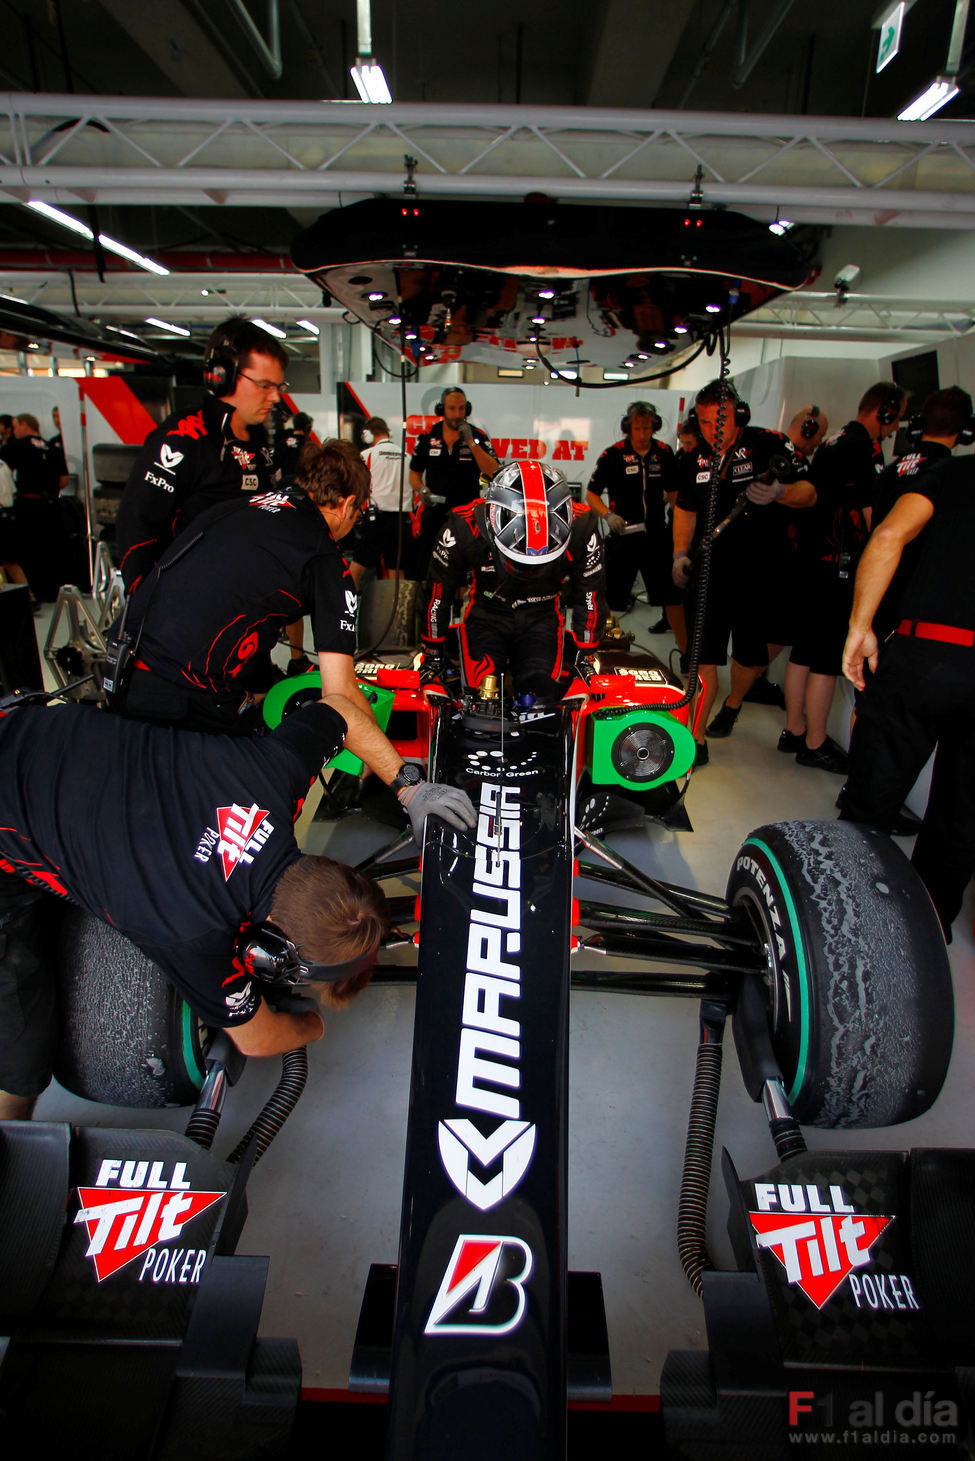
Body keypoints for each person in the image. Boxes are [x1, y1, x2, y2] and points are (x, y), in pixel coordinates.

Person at [0, 692, 474, 1120]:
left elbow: (343, 713)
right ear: (267, 954)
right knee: (20, 1051)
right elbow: (259, 1037)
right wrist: (311, 1026)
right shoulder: (193, 932)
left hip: (32, 727)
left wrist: (410, 787)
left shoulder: (271, 776)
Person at [839, 443, 975, 942]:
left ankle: (845, 914)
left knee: (872, 794)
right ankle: (926, 933)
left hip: (928, 652)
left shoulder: (956, 472)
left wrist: (861, 626)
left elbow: (890, 533)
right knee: (961, 816)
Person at [671, 380, 814, 764]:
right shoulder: (693, 458)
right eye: (702, 422)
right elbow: (685, 509)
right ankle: (695, 740)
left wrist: (781, 493)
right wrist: (680, 553)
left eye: (719, 421)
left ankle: (734, 703)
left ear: (740, 414)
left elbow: (810, 492)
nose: (710, 431)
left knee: (751, 657)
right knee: (703, 660)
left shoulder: (768, 443)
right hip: (709, 572)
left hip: (760, 572)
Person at [780, 381, 906, 774]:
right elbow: (873, 518)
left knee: (801, 653)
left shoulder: (834, 441)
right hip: (836, 566)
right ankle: (815, 743)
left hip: (811, 563)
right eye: (896, 417)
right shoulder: (863, 448)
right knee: (825, 661)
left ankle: (794, 730)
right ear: (884, 413)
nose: (896, 426)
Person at [115, 316, 284, 596]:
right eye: (265, 385)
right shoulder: (182, 438)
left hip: (242, 605)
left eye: (279, 386)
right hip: (186, 611)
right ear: (221, 377)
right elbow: (136, 525)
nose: (276, 397)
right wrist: (150, 605)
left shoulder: (259, 441)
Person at [420, 460, 605, 697]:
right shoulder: (463, 527)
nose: (529, 567)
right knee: (478, 695)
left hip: (542, 615)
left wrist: (586, 653)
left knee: (542, 695)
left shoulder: (583, 527)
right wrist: (433, 651)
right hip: (486, 613)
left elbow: (590, 595)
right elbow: (437, 593)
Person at [586, 401, 685, 648]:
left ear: (654, 427)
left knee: (672, 597)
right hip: (623, 537)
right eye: (637, 429)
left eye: (647, 428)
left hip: (657, 537)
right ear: (628, 428)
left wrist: (682, 527)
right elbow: (592, 494)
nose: (642, 434)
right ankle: (603, 647)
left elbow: (675, 494)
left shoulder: (664, 453)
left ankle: (686, 653)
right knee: (609, 598)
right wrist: (608, 515)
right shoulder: (613, 454)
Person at [409, 388, 499, 575]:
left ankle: (460, 602)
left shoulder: (478, 436)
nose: (457, 414)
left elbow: (493, 471)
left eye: (461, 409)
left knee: (464, 566)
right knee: (428, 565)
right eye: (452, 409)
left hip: (467, 514)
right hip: (435, 511)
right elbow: (414, 475)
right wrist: (422, 489)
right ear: (441, 409)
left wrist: (471, 443)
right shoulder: (427, 436)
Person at [0, 411, 62, 600]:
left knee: (20, 556)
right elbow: (64, 480)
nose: (15, 430)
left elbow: (6, 474)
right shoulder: (52, 446)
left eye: (16, 426)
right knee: (48, 552)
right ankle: (44, 593)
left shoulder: (17, 446)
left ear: (24, 425)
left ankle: (28, 594)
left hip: (26, 506)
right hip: (52, 506)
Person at [354, 416, 416, 580]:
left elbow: (357, 486)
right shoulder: (407, 456)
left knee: (358, 565)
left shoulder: (366, 455)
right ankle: (397, 606)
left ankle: (345, 603)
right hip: (401, 520)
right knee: (397, 570)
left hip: (374, 518)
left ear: (368, 434)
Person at [275, 411, 314, 485]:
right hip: (303, 486)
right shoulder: (310, 447)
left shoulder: (282, 444)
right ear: (307, 428)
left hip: (284, 486)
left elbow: (274, 467)